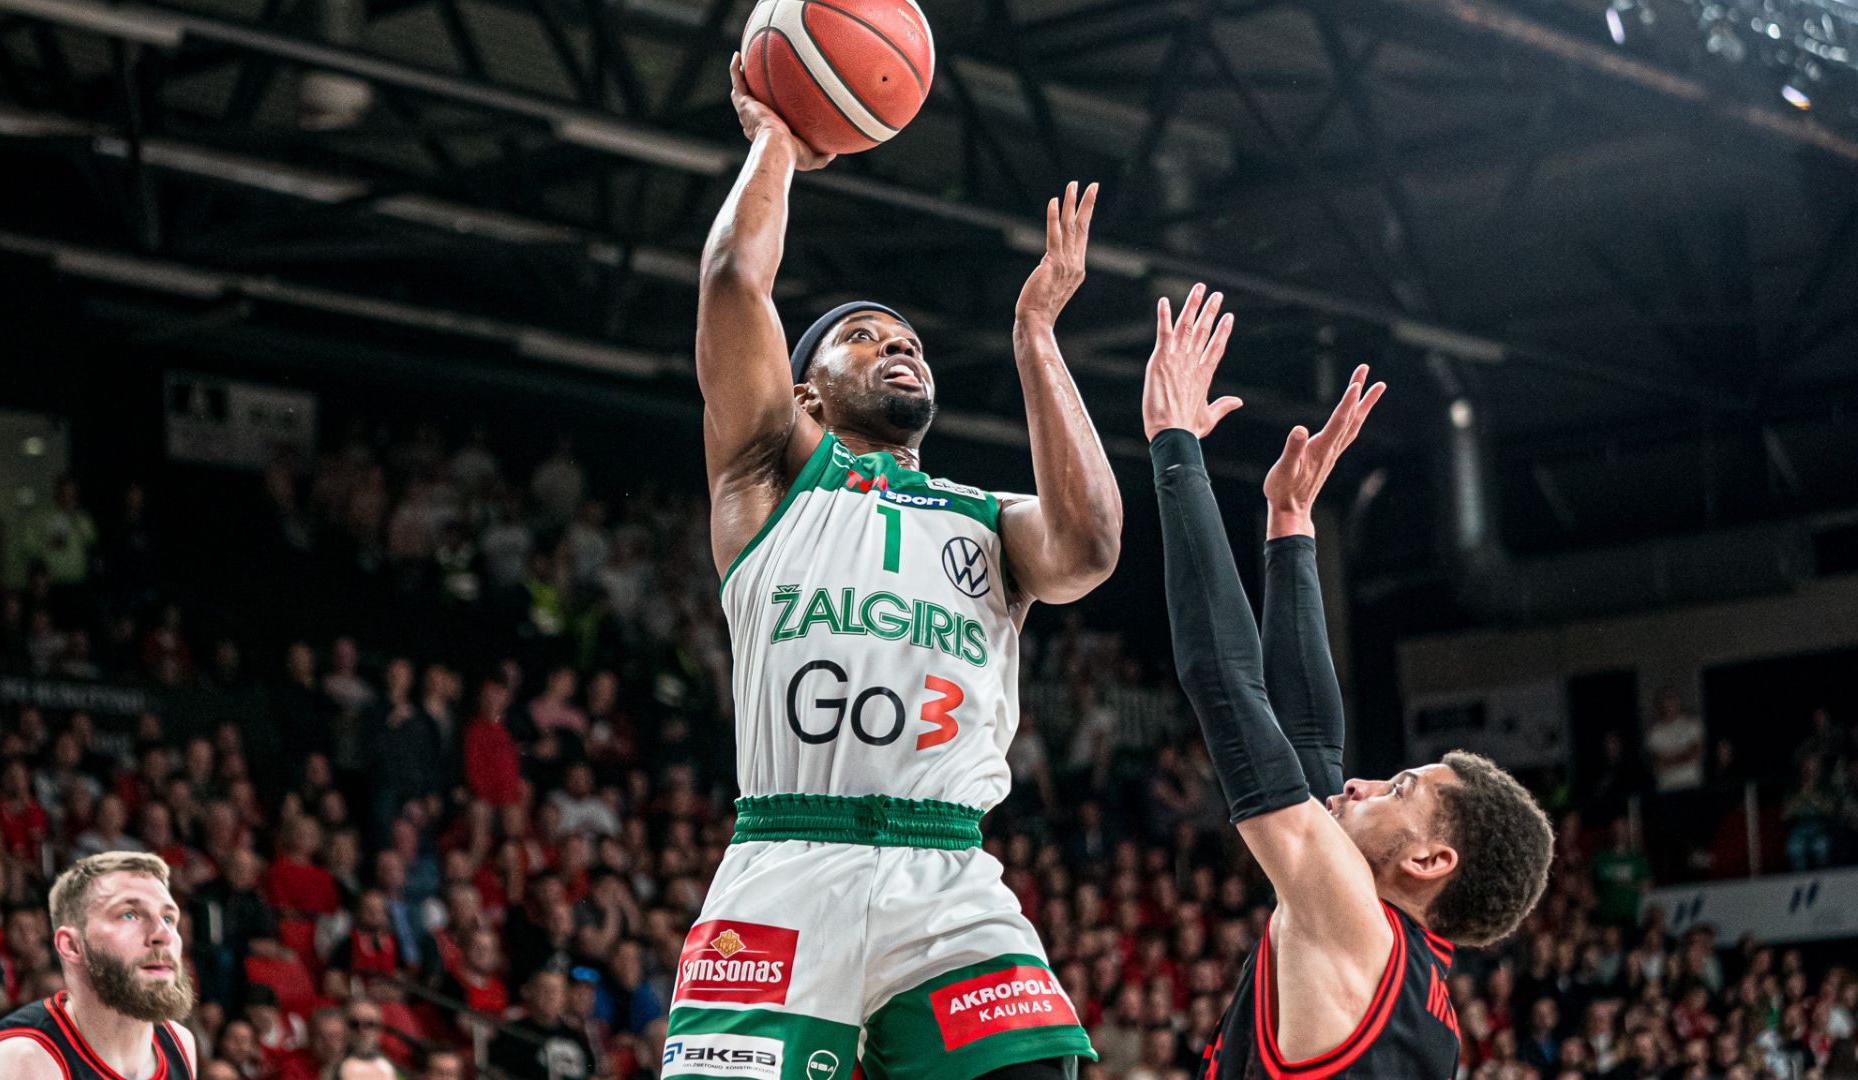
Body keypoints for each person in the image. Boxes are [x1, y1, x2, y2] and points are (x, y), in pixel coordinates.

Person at [665, 53, 1123, 1080]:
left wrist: (1036, 336)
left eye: (907, 340)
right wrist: (777, 142)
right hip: (789, 861)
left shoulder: (987, 521)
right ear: (807, 395)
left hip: (947, 876)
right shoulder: (767, 477)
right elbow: (734, 282)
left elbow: (1091, 546)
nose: (896, 346)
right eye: (864, 338)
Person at [1140, 293, 1553, 1079]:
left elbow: (1227, 687)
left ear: (1428, 861)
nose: (1363, 785)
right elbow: (1311, 749)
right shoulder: (1415, 988)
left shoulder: (1356, 927)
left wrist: (1175, 447)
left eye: (1399, 789)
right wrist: (1290, 521)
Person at [0, 851, 199, 1079]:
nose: (163, 934)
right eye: (129, 915)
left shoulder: (180, 1043)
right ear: (71, 945)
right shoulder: (27, 1062)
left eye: (168, 918)